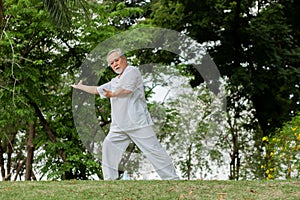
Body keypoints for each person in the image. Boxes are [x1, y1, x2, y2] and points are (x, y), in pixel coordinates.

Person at [71, 48, 179, 180]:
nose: (115, 64)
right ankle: (110, 181)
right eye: (111, 63)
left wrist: (112, 94)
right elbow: (97, 90)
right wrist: (81, 87)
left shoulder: (132, 71)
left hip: (138, 123)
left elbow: (127, 90)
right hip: (119, 126)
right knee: (108, 147)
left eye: (116, 60)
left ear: (124, 59)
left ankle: (172, 179)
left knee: (154, 151)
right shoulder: (114, 81)